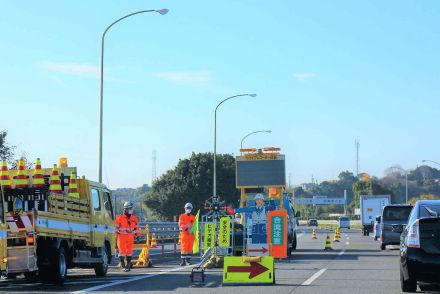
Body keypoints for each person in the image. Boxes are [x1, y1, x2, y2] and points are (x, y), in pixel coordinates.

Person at [115, 201, 140, 272]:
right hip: (121, 237)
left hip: (130, 237)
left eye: (131, 209)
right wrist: (115, 238)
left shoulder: (134, 218)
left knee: (129, 251)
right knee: (122, 252)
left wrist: (137, 236)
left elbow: (137, 228)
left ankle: (128, 265)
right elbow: (116, 229)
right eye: (130, 209)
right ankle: (123, 265)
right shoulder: (119, 218)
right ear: (125, 209)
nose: (131, 210)